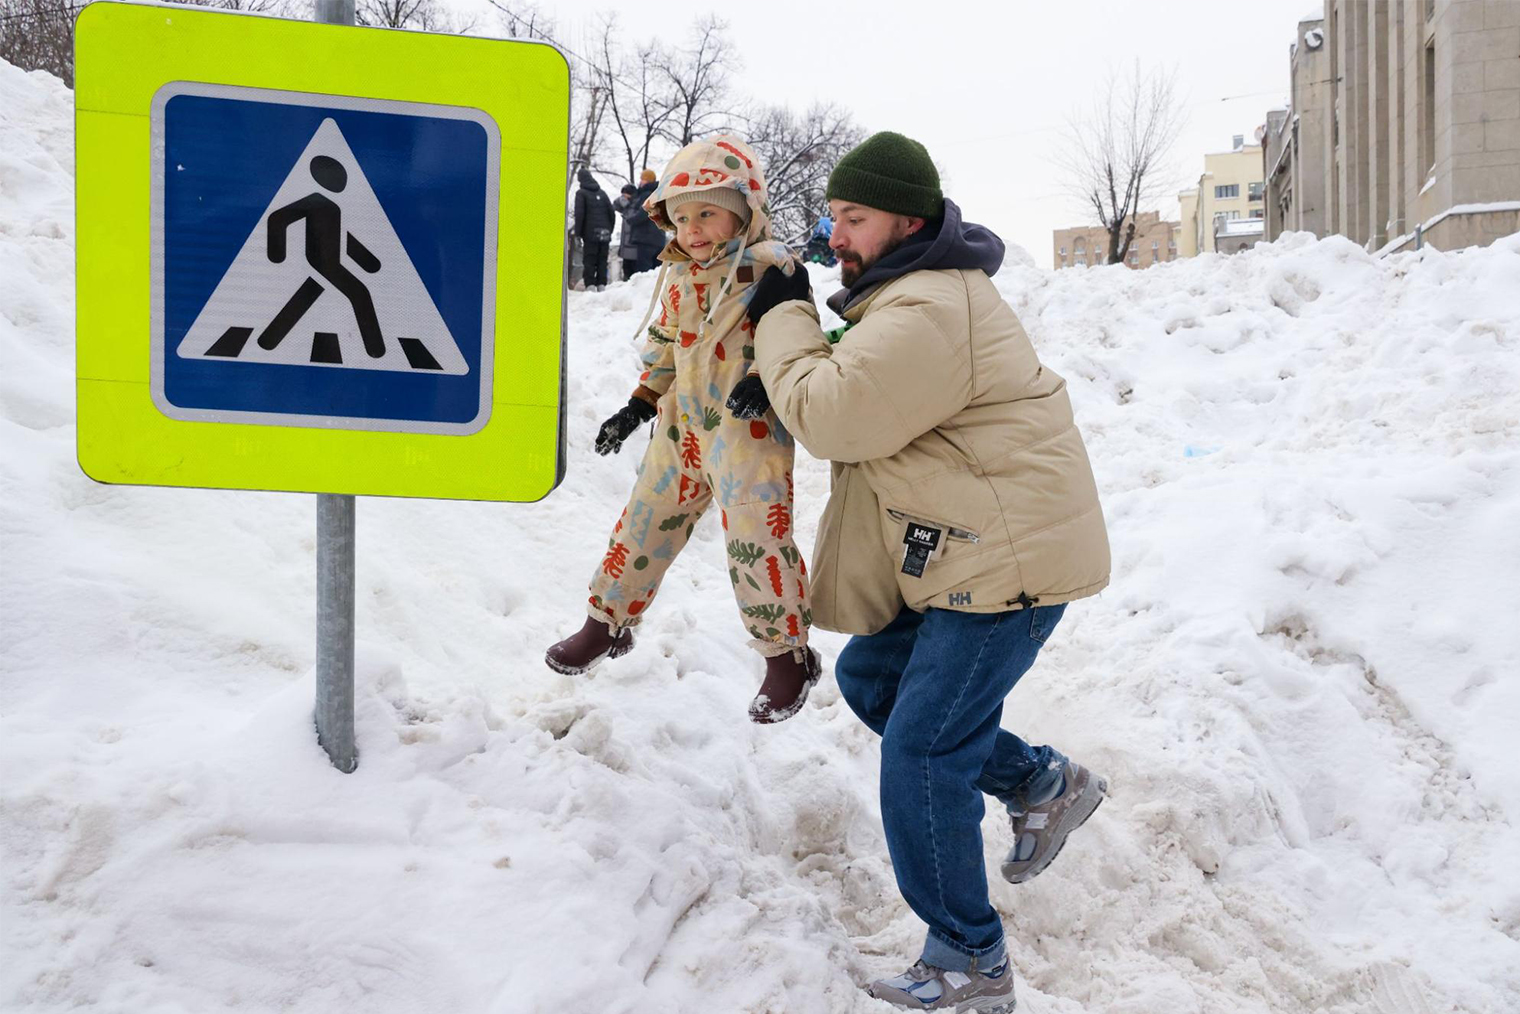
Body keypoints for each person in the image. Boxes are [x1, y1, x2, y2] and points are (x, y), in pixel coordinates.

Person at [745, 131, 1113, 1011]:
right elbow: (853, 391)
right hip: (968, 554)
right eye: (831, 215)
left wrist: (783, 318)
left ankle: (968, 959)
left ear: (907, 219)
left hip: (1004, 566)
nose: (836, 233)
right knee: (875, 677)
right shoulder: (907, 299)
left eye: (855, 216)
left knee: (922, 753)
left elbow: (836, 419)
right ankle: (1039, 782)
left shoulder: (928, 312)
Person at [545, 135, 821, 724]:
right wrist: (639, 405)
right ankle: (605, 623)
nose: (693, 229)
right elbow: (668, 350)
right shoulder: (677, 276)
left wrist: (767, 379)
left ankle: (786, 654)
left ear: (744, 209)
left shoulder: (773, 268)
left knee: (756, 537)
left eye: (708, 213)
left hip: (745, 428)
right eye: (682, 215)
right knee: (643, 522)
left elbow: (798, 335)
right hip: (680, 428)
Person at [572, 168, 614, 291]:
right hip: (605, 232)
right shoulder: (603, 193)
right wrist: (609, 230)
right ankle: (601, 285)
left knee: (590, 259)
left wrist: (578, 234)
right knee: (602, 259)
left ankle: (590, 285)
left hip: (590, 233)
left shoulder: (581, 193)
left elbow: (579, 214)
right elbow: (611, 213)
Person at [625, 168, 667, 275]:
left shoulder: (646, 194)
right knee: (654, 274)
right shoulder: (660, 194)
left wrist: (630, 220)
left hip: (646, 238)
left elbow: (643, 213)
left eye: (642, 179)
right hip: (659, 238)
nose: (640, 182)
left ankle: (643, 292)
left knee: (644, 272)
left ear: (647, 181)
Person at [613, 183, 640, 282]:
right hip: (626, 245)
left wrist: (627, 205)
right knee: (626, 271)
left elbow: (631, 218)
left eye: (625, 194)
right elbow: (615, 204)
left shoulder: (636, 205)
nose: (623, 197)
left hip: (633, 245)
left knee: (632, 273)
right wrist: (623, 200)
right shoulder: (627, 205)